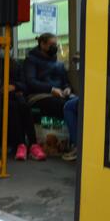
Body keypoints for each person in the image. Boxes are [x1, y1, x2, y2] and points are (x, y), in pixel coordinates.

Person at [22, 33, 78, 161]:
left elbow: (65, 82)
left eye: (55, 44)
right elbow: (31, 82)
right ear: (42, 44)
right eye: (51, 45)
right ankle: (75, 144)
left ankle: (78, 142)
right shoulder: (31, 60)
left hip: (60, 94)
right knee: (65, 106)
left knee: (77, 104)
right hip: (39, 96)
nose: (55, 47)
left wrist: (67, 88)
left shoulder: (58, 63)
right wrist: (51, 89)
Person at [0, 52, 46, 161]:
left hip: (15, 94)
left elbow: (25, 85)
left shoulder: (16, 65)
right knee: (12, 106)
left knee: (23, 105)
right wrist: (2, 88)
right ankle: (21, 144)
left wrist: (14, 86)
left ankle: (33, 144)